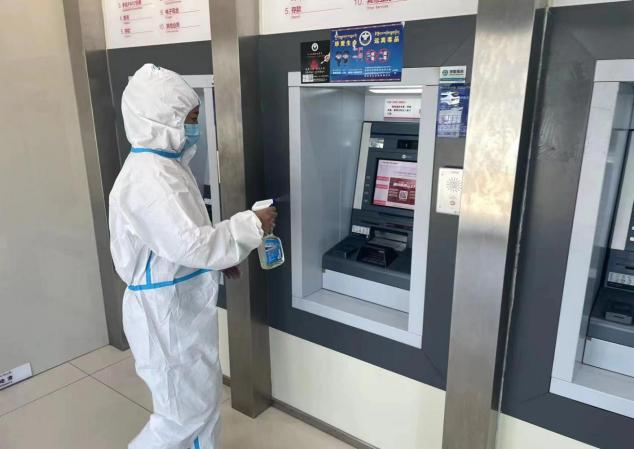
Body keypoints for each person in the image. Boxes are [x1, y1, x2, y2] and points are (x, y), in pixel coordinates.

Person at [109, 64, 276, 449]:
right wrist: (251, 224)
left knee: (201, 401)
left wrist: (219, 259)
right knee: (180, 416)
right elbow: (191, 244)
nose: (195, 126)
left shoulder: (167, 166)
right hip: (163, 314)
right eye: (190, 117)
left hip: (178, 303)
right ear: (161, 118)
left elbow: (182, 241)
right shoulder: (149, 178)